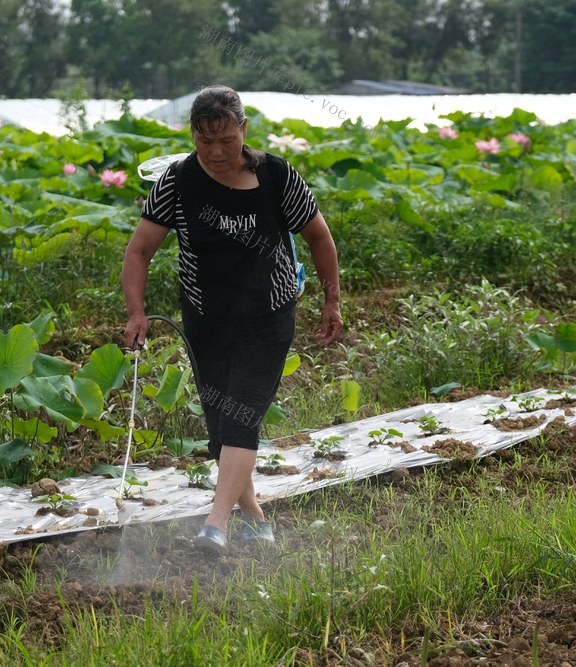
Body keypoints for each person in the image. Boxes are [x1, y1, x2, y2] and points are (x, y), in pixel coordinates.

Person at [121, 85, 342, 552]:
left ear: (244, 130)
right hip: (207, 318)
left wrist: (331, 300)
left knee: (242, 416)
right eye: (205, 142)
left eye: (227, 140)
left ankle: (215, 525)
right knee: (222, 424)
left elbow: (320, 238)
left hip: (269, 315)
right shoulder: (177, 182)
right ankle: (257, 519)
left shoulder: (277, 176)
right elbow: (139, 251)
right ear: (193, 136)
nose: (217, 152)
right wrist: (136, 312)